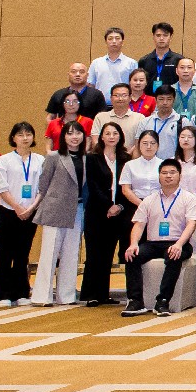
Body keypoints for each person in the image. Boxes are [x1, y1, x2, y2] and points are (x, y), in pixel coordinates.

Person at [121, 157, 196, 317]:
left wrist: (179, 244)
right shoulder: (149, 200)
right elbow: (139, 224)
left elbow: (191, 225)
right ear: (159, 176)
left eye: (172, 172)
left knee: (174, 255)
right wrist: (133, 244)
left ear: (180, 176)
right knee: (132, 255)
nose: (168, 176)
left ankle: (163, 301)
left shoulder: (189, 198)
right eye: (164, 173)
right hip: (153, 243)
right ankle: (135, 301)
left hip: (179, 242)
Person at [30, 119, 87, 306]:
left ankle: (67, 296)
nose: (74, 137)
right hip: (55, 209)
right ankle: (42, 296)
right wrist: (35, 207)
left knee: (71, 254)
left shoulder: (87, 158)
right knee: (49, 254)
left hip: (77, 210)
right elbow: (43, 184)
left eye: (78, 133)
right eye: (70, 133)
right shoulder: (54, 156)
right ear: (63, 137)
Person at [79, 121, 132, 307]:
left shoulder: (126, 159)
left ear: (120, 136)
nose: (111, 136)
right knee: (94, 253)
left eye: (115, 133)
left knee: (108, 254)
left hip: (118, 213)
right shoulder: (92, 158)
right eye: (107, 133)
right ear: (101, 136)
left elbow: (127, 186)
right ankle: (90, 294)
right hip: (97, 212)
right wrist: (108, 206)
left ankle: (103, 294)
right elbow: (93, 186)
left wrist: (119, 206)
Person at [0, 121, 42, 306]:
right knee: (5, 252)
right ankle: (2, 293)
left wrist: (32, 207)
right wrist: (17, 207)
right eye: (20, 135)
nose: (25, 138)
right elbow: (0, 187)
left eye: (28, 134)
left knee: (23, 253)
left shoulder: (40, 160)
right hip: (8, 211)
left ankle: (21, 292)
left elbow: (43, 187)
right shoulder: (4, 160)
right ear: (13, 138)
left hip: (30, 212)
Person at [89, 27, 139, 99]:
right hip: (100, 103)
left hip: (124, 102)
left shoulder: (131, 63)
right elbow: (91, 85)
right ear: (106, 42)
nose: (114, 41)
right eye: (110, 38)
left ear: (122, 42)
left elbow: (136, 86)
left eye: (117, 38)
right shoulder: (96, 63)